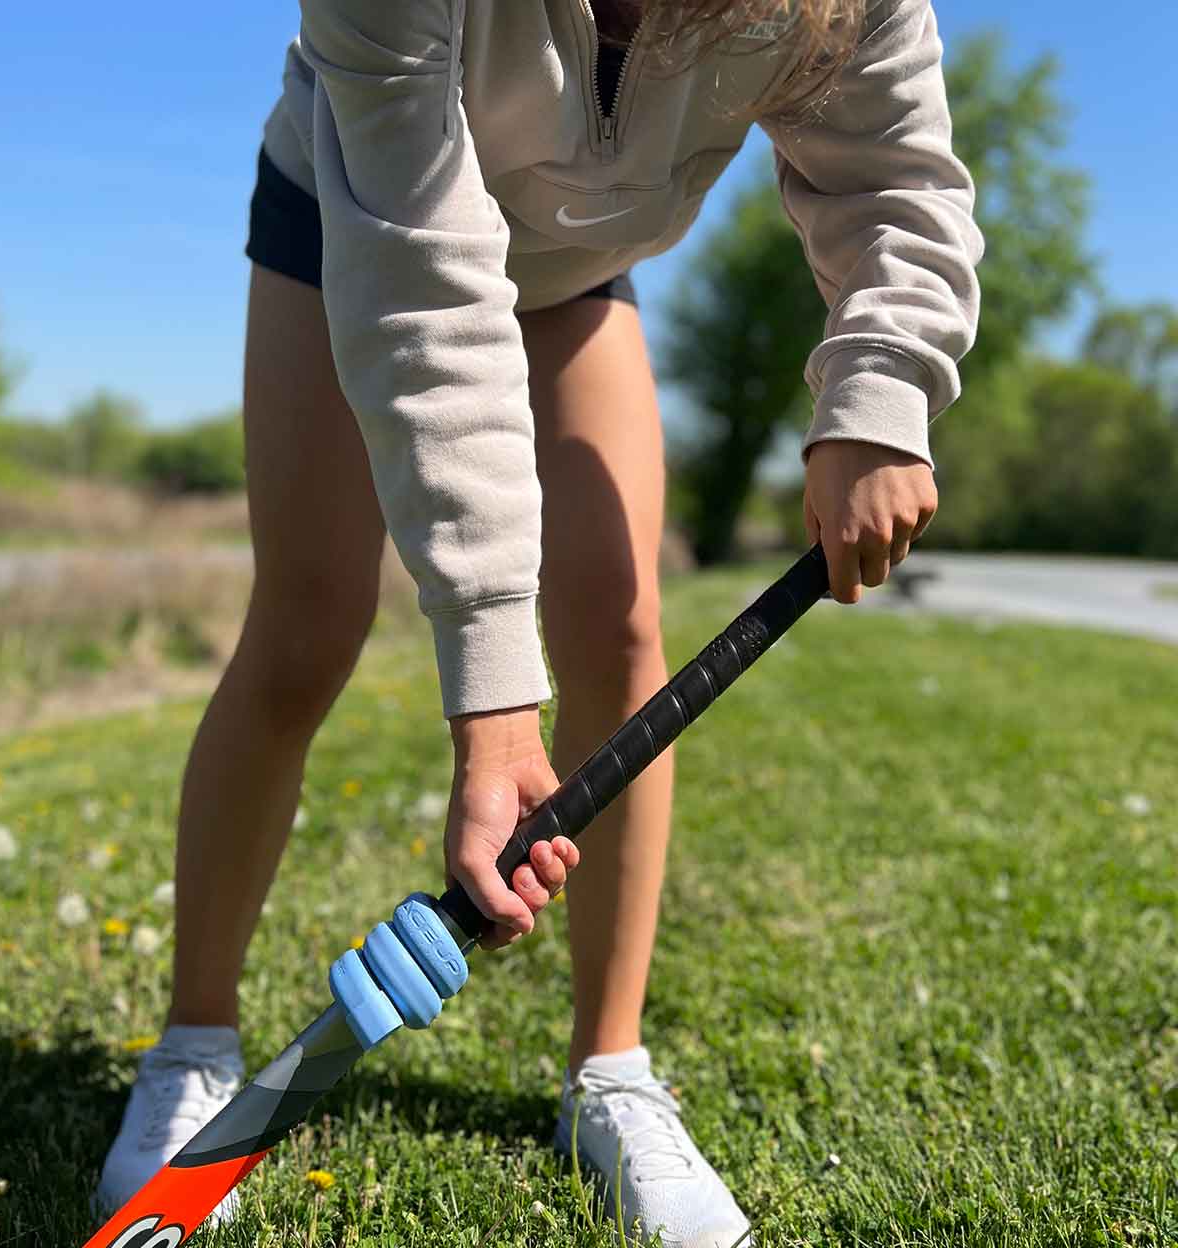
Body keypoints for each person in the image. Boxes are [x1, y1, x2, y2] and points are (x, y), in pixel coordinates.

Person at [95, 0, 982, 1241]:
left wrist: (881, 396)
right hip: (355, 219)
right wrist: (495, 697)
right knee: (305, 628)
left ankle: (608, 1072)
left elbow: (896, 183)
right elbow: (426, 288)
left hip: (572, 261)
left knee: (621, 628)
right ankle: (192, 1044)